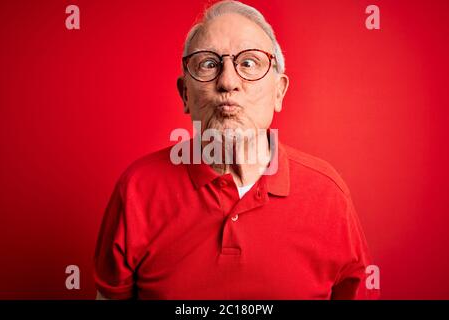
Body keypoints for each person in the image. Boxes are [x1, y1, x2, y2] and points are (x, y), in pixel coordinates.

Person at [94, 0, 376, 300]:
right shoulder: (137, 190)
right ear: (185, 94)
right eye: (208, 64)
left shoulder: (327, 195)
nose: (228, 82)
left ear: (278, 91)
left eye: (249, 63)